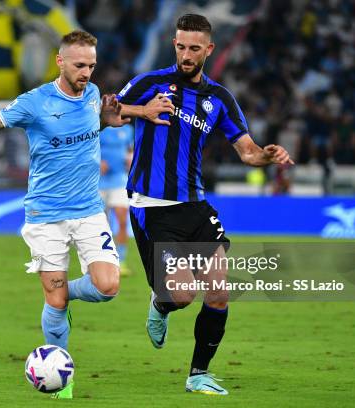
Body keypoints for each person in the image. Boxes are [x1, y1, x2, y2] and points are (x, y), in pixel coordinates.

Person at [0, 30, 171, 399]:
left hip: (89, 210)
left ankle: (63, 297)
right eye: (80, 65)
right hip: (46, 215)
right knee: (54, 301)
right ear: (60, 61)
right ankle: (62, 376)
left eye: (92, 65)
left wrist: (139, 112)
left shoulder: (92, 95)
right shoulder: (35, 102)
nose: (87, 73)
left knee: (108, 287)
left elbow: (102, 118)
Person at [117, 14, 294, 395]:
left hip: (195, 205)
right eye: (180, 46)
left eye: (194, 48)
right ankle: (161, 304)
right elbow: (107, 113)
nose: (185, 54)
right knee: (181, 295)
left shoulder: (219, 99)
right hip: (152, 205)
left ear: (208, 49)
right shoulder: (150, 83)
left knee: (218, 290)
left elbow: (247, 152)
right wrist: (142, 111)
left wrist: (268, 154)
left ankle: (198, 374)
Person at [99, 124, 134, 275]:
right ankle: (102, 261)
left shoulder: (127, 129)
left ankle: (122, 261)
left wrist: (130, 159)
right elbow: (86, 148)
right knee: (101, 224)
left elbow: (130, 149)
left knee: (122, 220)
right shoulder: (99, 125)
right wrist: (97, 162)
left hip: (119, 180)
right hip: (98, 180)